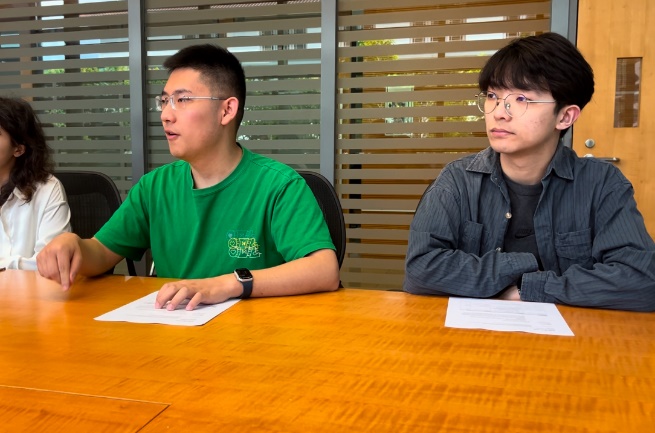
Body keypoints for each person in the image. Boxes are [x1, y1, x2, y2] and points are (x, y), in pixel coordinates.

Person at [37, 44, 340, 309]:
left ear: (226, 110)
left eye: (182, 100)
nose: (165, 115)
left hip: (255, 337)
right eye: (164, 101)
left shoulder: (279, 185)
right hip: (175, 331)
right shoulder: (155, 187)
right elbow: (102, 252)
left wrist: (227, 284)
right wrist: (74, 246)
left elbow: (324, 270)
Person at [403, 32, 655, 312]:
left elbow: (642, 281)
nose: (499, 112)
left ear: (565, 116)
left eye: (522, 98)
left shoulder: (602, 184)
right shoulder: (457, 181)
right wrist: (524, 263)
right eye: (493, 96)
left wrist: (529, 288)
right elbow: (421, 270)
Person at [0, 96, 71, 270]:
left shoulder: (48, 189)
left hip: (31, 287)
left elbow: (52, 263)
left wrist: (5, 265)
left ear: (18, 149)